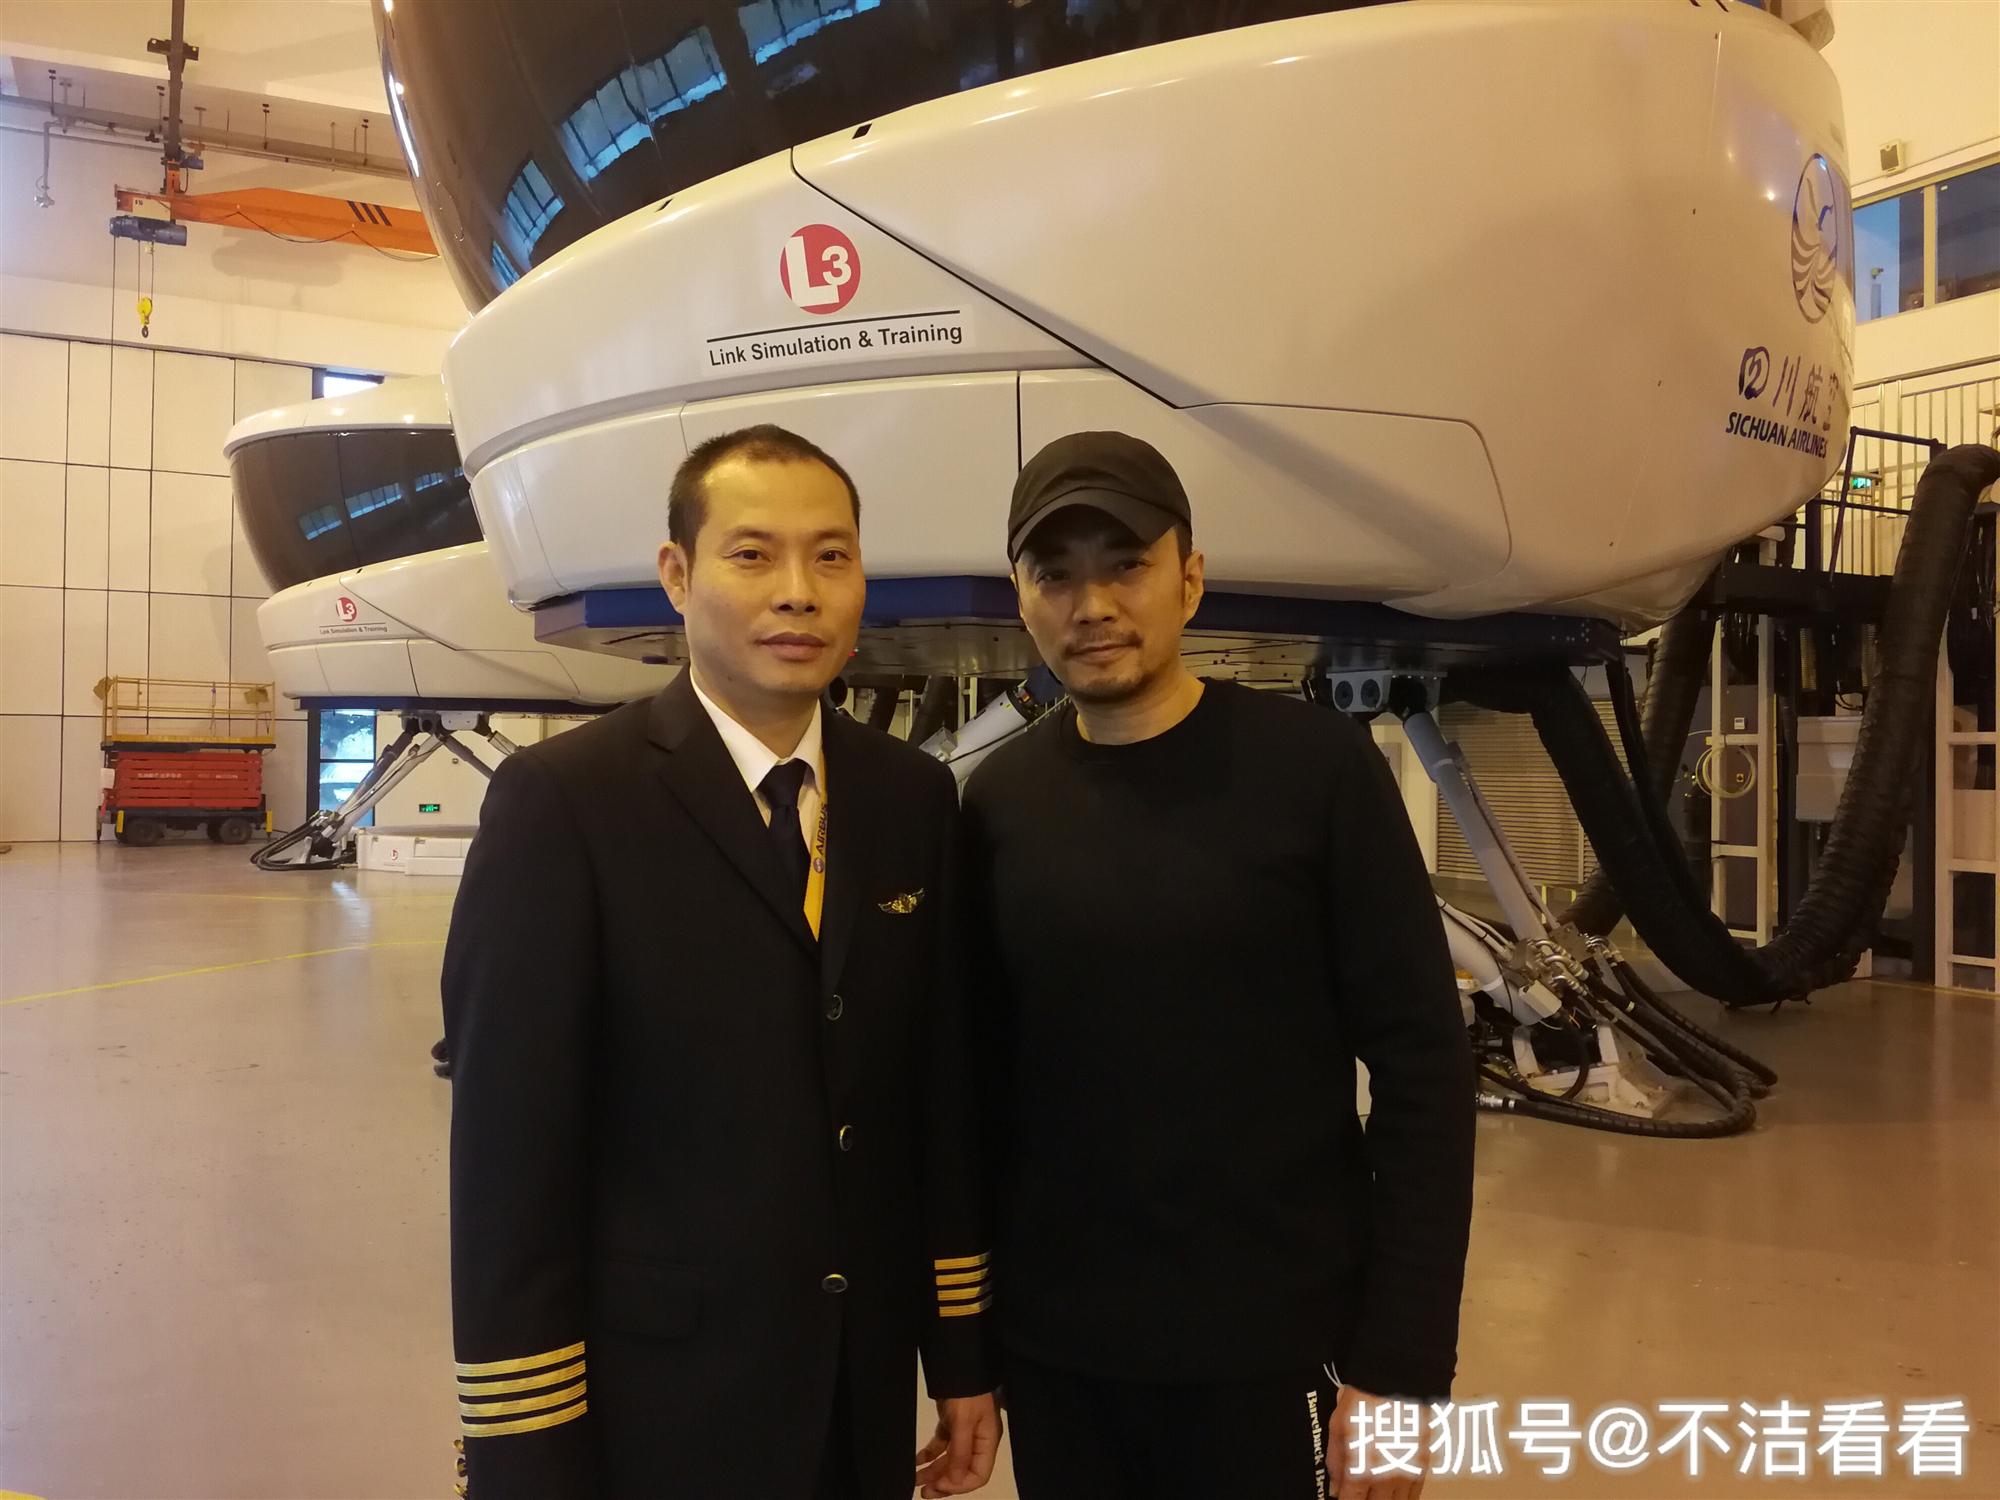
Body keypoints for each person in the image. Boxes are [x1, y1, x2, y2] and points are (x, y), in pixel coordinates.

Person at [441, 425, 1000, 1499]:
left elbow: (936, 1095)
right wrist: (523, 1442)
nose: (798, 592)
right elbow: (511, 1153)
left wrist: (960, 1349)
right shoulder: (567, 803)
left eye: (831, 556)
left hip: (858, 1391)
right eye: (752, 554)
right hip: (658, 1404)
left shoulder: (910, 799)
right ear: (677, 574)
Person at [961, 431, 1476, 1500]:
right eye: (1056, 575)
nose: (1092, 604)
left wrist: (1400, 1362)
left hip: (1273, 1348)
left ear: (1189, 579)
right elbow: (976, 1094)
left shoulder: (1316, 774)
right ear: (1021, 600)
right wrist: (970, 1349)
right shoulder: (1001, 804)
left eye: (1126, 565)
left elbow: (1424, 1073)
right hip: (1063, 1358)